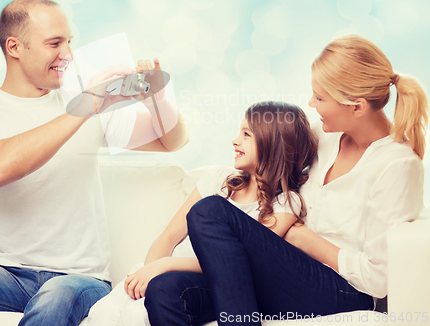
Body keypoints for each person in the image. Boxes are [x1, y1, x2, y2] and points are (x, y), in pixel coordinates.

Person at [0, 0, 189, 326]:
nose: (67, 54)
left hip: (80, 281)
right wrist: (85, 106)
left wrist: (158, 97)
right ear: (14, 47)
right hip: (6, 275)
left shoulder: (87, 107)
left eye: (69, 42)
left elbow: (173, 141)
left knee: (56, 297)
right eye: (55, 43)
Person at [145, 34, 428, 326]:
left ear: (356, 107)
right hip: (284, 271)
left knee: (209, 211)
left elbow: (378, 279)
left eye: (320, 98)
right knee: (164, 291)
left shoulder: (398, 165)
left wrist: (303, 238)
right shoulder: (324, 137)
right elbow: (271, 149)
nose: (310, 103)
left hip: (342, 290)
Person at [87, 101, 318, 326]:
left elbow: (236, 263)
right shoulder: (219, 180)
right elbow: (168, 237)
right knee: (121, 309)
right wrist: (150, 271)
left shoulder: (286, 204)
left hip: (211, 284)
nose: (235, 140)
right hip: (167, 272)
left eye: (246, 134)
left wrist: (166, 266)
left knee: (165, 292)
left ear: (273, 143)